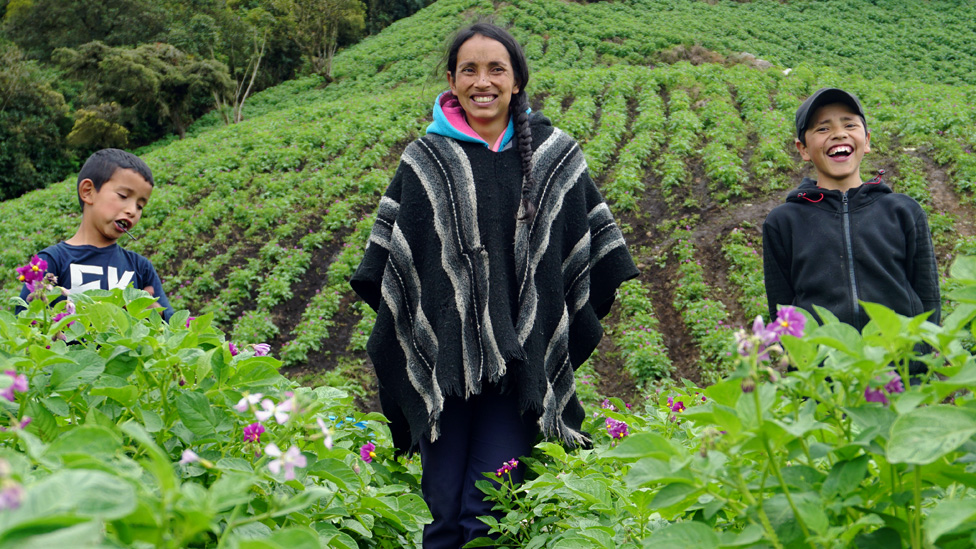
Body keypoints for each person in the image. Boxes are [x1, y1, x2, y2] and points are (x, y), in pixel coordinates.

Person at [350, 22, 638, 547]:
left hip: (522, 369)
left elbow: (593, 253)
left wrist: (552, 322)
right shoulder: (426, 158)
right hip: (445, 366)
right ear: (452, 80)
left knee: (487, 507)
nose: (483, 81)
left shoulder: (555, 157)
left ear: (517, 79)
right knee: (439, 510)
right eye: (470, 70)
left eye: (496, 69)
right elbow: (390, 262)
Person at [763, 87, 940, 372]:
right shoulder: (784, 222)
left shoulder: (902, 211)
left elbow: (927, 294)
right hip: (825, 375)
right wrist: (800, 364)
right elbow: (782, 308)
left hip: (898, 370)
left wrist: (924, 356)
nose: (838, 133)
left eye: (849, 124)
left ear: (866, 140)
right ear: (803, 149)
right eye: (823, 128)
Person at [18, 148, 174, 321]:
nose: (132, 211)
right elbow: (25, 321)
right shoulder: (53, 260)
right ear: (88, 192)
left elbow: (172, 327)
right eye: (123, 196)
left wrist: (155, 312)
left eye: (140, 206)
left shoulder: (140, 267)